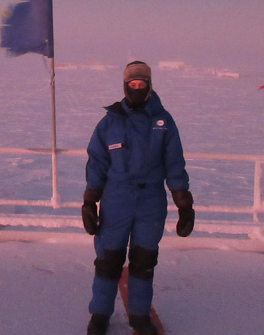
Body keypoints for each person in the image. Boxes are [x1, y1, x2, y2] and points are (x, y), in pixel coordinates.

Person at [82, 61, 194, 335]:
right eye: (131, 85)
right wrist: (89, 200)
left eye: (141, 84)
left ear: (149, 86)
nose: (136, 89)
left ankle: (140, 316)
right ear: (124, 87)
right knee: (108, 260)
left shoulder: (163, 122)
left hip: (151, 201)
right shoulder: (111, 122)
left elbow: (174, 162)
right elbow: (97, 162)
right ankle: (99, 315)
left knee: (144, 261)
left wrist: (184, 203)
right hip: (116, 199)